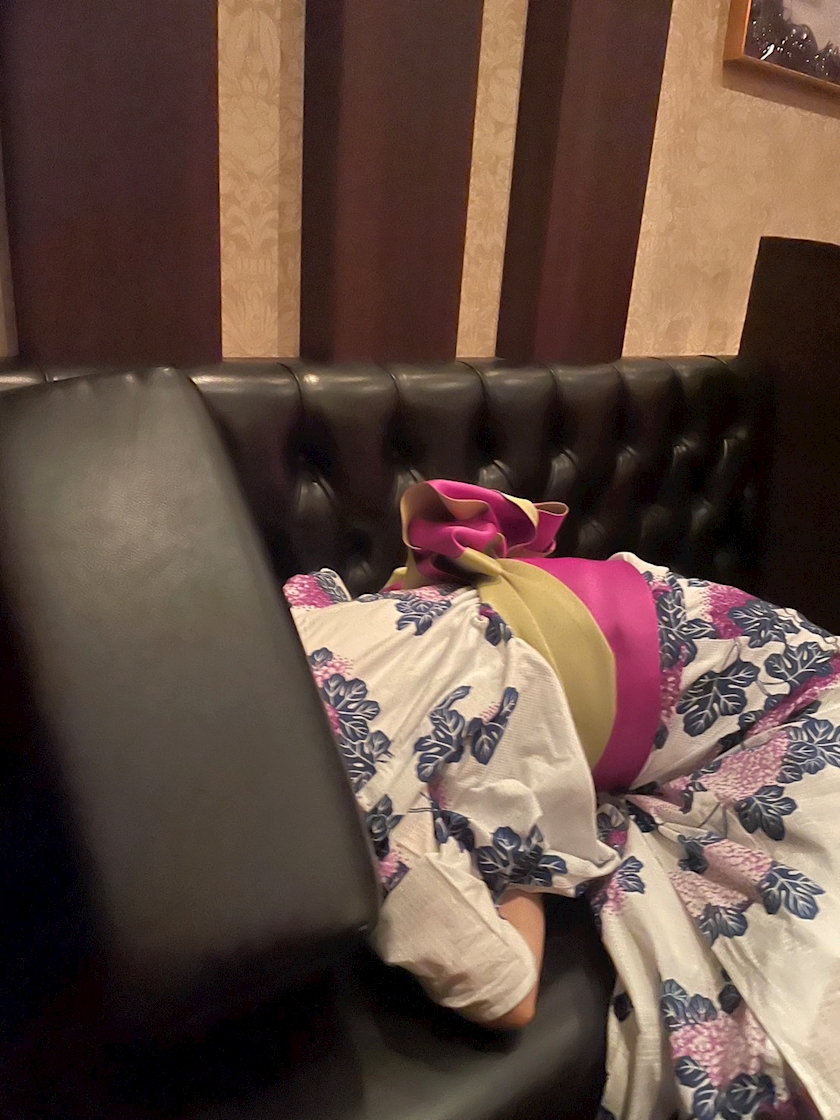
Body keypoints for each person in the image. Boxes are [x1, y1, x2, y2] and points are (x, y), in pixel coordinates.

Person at [283, 480, 836, 1120]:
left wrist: (518, 849)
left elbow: (508, 993)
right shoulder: (270, 633)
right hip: (703, 622)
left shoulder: (372, 825)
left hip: (765, 705)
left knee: (803, 1003)